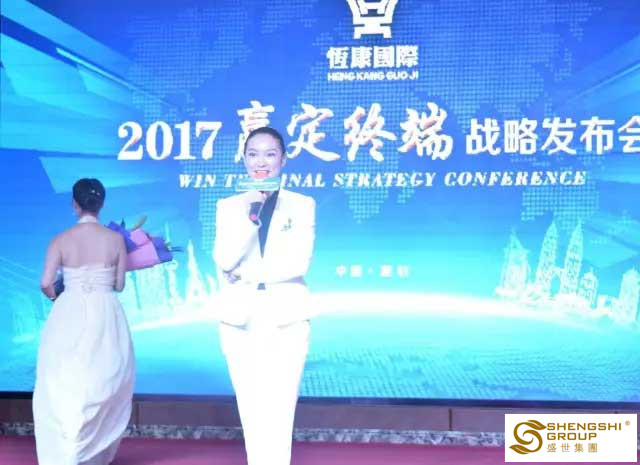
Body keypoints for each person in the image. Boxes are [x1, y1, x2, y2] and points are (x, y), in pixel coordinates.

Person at [213, 127, 316, 465]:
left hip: (286, 316)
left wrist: (246, 274)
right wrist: (251, 217)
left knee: (281, 405)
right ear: (244, 159)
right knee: (251, 405)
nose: (261, 162)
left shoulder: (302, 205)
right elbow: (225, 259)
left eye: (270, 154)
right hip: (239, 317)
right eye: (253, 154)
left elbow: (298, 263)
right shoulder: (229, 206)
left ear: (283, 159)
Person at [34, 178, 135, 465]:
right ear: (101, 204)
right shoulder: (116, 240)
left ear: (74, 205)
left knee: (64, 375)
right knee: (105, 374)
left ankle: (67, 446)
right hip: (106, 310)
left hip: (69, 310)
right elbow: (119, 285)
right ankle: (91, 450)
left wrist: (57, 296)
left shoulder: (61, 239)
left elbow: (45, 283)